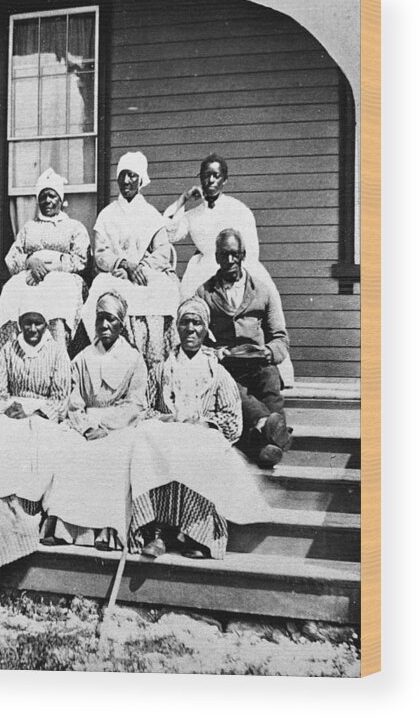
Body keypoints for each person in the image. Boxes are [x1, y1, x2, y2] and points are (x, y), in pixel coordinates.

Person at [130, 298, 271, 560]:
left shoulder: (217, 373)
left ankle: (196, 533)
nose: (190, 329)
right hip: (167, 437)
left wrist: (207, 422)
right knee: (150, 439)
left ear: (206, 329)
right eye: (185, 323)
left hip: (200, 437)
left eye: (197, 323)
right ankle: (158, 533)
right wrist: (163, 419)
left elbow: (232, 420)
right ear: (177, 328)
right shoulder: (160, 371)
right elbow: (142, 410)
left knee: (202, 445)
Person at [0, 295, 71, 569]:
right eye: (27, 323)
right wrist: (9, 407)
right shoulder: (8, 350)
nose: (32, 330)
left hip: (43, 417)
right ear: (19, 324)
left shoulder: (56, 352)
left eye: (38, 324)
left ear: (46, 325)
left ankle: (27, 515)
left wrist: (34, 411)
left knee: (37, 442)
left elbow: (61, 399)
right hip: (12, 412)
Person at [164, 152, 294, 385]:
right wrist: (183, 199)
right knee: (191, 314)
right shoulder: (193, 214)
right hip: (202, 272)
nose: (210, 181)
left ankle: (259, 364)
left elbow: (251, 250)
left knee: (260, 304)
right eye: (206, 176)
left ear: (225, 179)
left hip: (234, 268)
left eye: (216, 176)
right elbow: (167, 232)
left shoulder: (238, 209)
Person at [42, 291, 148, 550]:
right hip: (85, 424)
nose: (104, 325)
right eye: (100, 318)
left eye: (111, 319)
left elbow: (136, 403)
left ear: (122, 323)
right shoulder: (82, 358)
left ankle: (105, 531)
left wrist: (106, 426)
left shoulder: (134, 359)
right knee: (68, 450)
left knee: (114, 455)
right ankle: (64, 529)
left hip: (119, 426)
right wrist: (87, 426)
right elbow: (73, 400)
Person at [198, 228, 292, 468]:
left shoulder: (263, 290)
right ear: (216, 257)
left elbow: (280, 337)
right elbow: (195, 335)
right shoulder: (204, 293)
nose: (230, 260)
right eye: (224, 255)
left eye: (234, 254)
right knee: (229, 387)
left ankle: (267, 441)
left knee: (270, 376)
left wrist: (269, 352)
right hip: (226, 365)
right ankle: (267, 428)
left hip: (258, 364)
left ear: (243, 255)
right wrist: (213, 352)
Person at [81, 152, 180, 365]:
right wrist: (124, 264)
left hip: (144, 275)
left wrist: (140, 268)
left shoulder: (152, 215)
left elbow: (163, 251)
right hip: (115, 275)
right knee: (101, 292)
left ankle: (154, 359)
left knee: (166, 289)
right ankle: (107, 358)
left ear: (141, 179)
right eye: (123, 175)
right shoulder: (107, 214)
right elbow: (100, 253)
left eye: (132, 175)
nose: (126, 181)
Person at [0, 168, 90, 350]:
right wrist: (30, 261)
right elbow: (12, 257)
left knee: (58, 296)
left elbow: (81, 260)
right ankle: (13, 355)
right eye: (43, 196)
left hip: (63, 279)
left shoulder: (74, 227)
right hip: (29, 277)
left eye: (52, 196)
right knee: (10, 290)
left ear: (61, 200)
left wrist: (48, 267)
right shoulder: (29, 228)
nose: (47, 201)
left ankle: (58, 354)